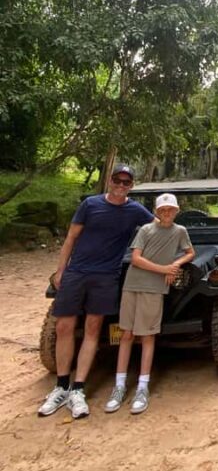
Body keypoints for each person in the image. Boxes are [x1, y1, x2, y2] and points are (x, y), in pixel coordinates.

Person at [38, 164, 155, 419]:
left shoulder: (135, 210)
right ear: (110, 181)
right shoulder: (90, 205)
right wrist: (61, 270)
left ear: (131, 186)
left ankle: (78, 388)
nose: (121, 185)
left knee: (93, 328)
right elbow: (71, 238)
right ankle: (61, 386)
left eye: (126, 182)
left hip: (106, 275)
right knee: (64, 326)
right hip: (77, 271)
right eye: (117, 180)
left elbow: (158, 226)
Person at [104, 192, 195, 415]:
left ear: (176, 211)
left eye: (170, 209)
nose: (167, 213)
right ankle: (119, 385)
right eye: (162, 210)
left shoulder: (180, 231)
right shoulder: (145, 229)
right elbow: (136, 258)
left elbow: (190, 253)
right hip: (133, 284)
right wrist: (164, 269)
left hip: (154, 289)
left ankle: (142, 387)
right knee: (126, 334)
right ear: (156, 212)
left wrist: (176, 264)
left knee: (147, 335)